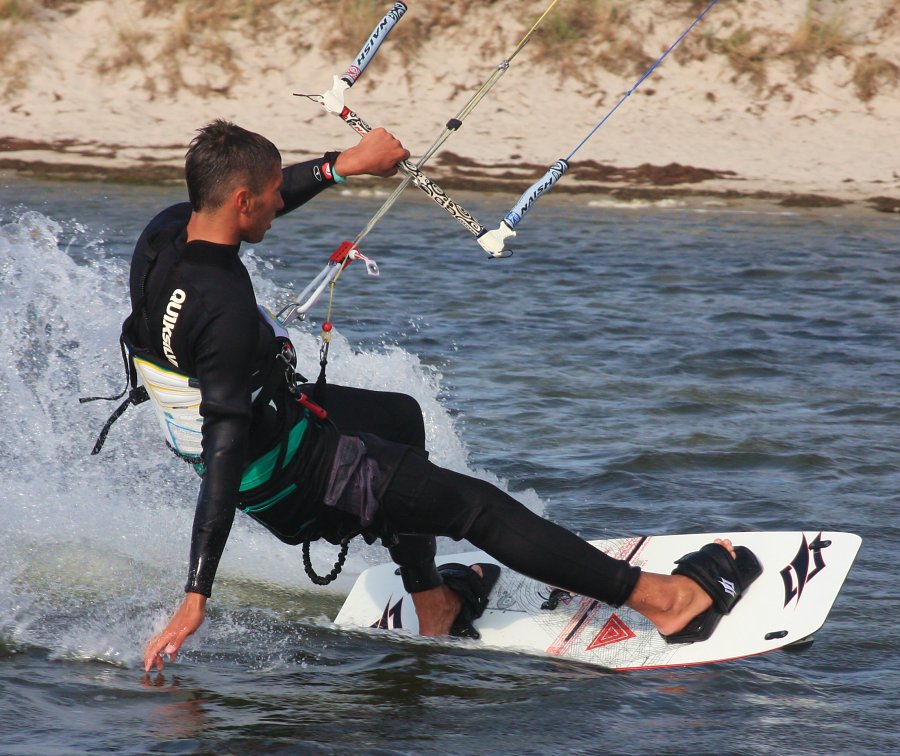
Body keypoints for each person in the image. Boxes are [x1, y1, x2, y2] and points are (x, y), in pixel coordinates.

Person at [132, 120, 761, 674]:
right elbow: (222, 454)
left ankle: (433, 602)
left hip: (277, 428)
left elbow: (267, 197)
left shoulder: (165, 239)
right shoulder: (227, 315)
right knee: (477, 511)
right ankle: (668, 602)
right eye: (270, 196)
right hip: (292, 475)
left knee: (399, 416)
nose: (278, 203)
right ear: (242, 201)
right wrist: (196, 595)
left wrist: (339, 166)